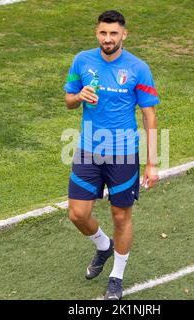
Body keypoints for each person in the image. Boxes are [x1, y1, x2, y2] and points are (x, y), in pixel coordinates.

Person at [64, 10, 160, 300]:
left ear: (124, 35)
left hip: (123, 154)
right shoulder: (82, 60)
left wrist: (152, 161)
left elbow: (149, 116)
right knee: (77, 214)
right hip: (88, 151)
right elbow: (68, 99)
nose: (108, 39)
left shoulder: (138, 68)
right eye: (103, 33)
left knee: (121, 216)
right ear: (97, 33)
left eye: (113, 33)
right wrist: (78, 96)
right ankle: (104, 246)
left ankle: (116, 277)